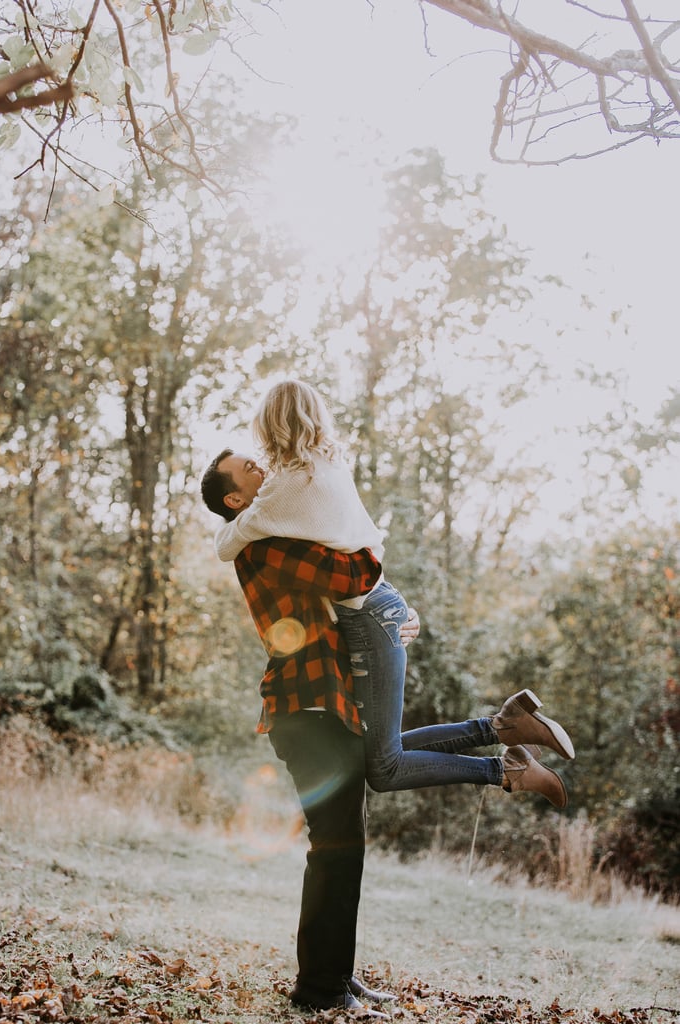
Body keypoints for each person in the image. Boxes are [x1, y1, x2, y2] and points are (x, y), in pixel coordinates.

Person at [209, 381, 575, 808]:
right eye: (248, 467)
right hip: (380, 605)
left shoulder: (280, 493)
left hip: (369, 614)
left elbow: (225, 545)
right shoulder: (329, 464)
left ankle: (505, 764)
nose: (259, 467)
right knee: (381, 754)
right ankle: (502, 729)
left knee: (384, 768)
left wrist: (230, 521)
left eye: (256, 458)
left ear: (270, 426)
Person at [201, 461, 413, 1017]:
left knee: (342, 849)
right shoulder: (263, 549)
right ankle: (320, 989)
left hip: (325, 702)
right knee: (335, 849)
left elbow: (351, 602)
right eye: (244, 469)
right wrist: (366, 543)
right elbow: (352, 574)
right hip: (306, 704)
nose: (258, 465)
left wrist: (393, 620)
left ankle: (334, 977)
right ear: (234, 502)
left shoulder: (279, 536)